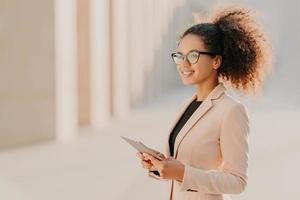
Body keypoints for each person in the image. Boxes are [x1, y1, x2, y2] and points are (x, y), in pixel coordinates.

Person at [136, 5, 272, 200]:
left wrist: (182, 173)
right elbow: (184, 167)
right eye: (180, 56)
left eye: (193, 56)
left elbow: (237, 182)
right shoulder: (188, 105)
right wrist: (160, 166)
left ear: (216, 61)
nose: (184, 64)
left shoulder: (231, 111)